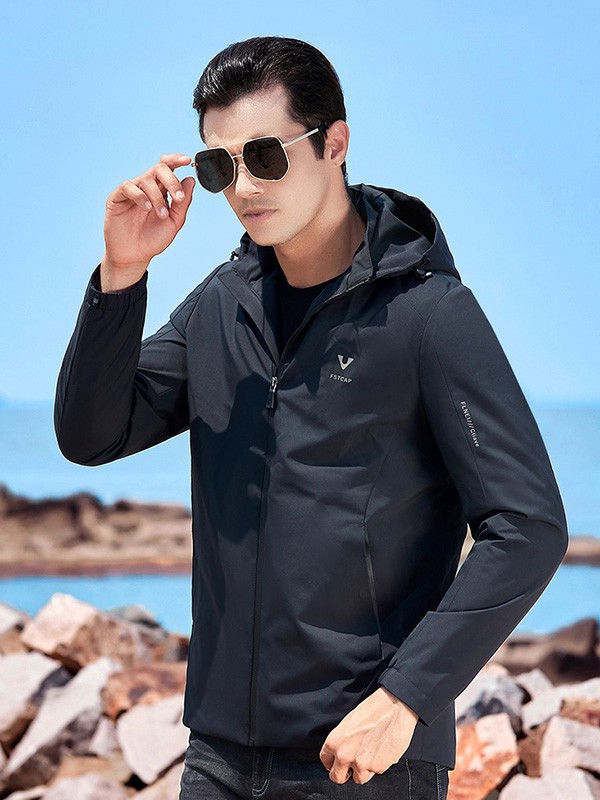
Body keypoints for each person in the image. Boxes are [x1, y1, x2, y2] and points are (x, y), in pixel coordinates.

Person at [54, 36, 568, 800]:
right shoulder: (221, 306)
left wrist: (406, 698)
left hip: (361, 759)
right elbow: (93, 435)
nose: (243, 187)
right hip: (219, 756)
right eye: (220, 165)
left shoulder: (429, 316)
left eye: (266, 155)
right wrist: (122, 274)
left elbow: (527, 526)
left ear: (335, 143)